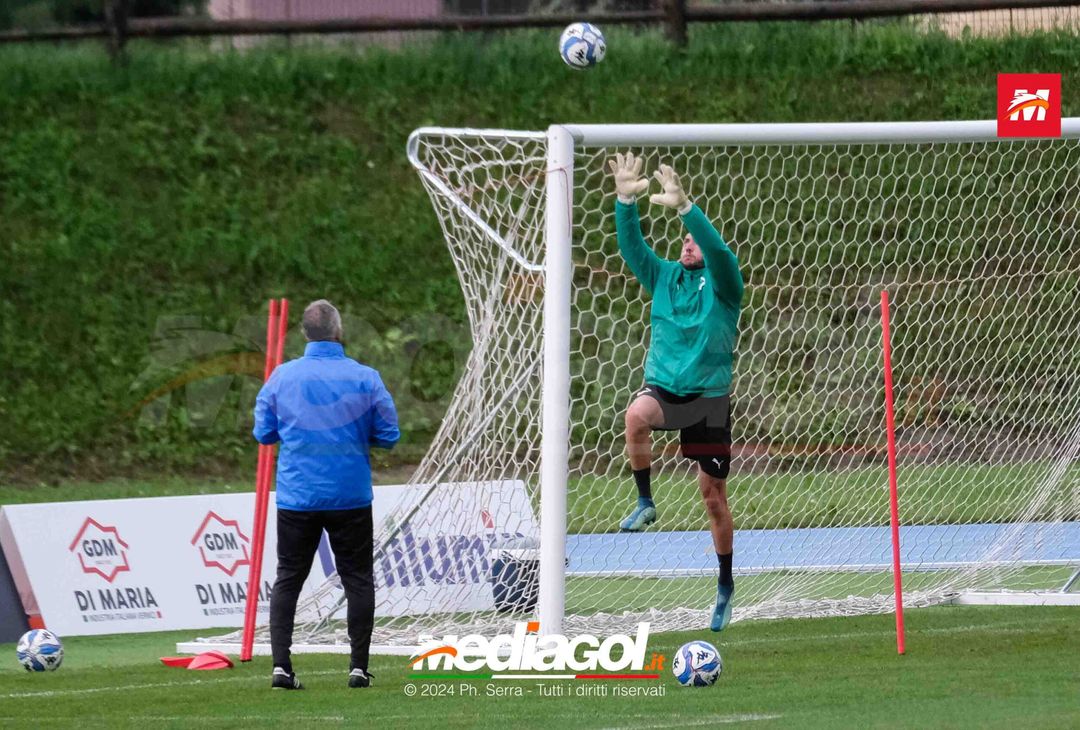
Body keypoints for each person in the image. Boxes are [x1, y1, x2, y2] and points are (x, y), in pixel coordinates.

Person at [608, 153, 744, 631]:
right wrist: (626, 199)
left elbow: (720, 252)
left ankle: (725, 585)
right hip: (665, 389)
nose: (688, 244)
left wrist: (688, 209)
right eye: (684, 240)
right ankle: (645, 502)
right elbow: (633, 249)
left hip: (707, 400)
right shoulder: (664, 276)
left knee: (712, 497)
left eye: (694, 241)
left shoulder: (725, 285)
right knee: (635, 417)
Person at [253, 299, 400, 689]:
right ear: (339, 331)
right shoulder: (366, 377)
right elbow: (389, 435)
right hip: (349, 493)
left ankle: (281, 667)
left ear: (304, 333)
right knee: (357, 578)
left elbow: (263, 433)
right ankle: (357, 667)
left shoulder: (281, 377)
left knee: (289, 578)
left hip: (297, 495)